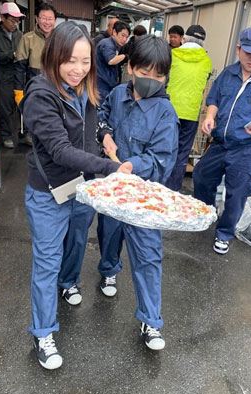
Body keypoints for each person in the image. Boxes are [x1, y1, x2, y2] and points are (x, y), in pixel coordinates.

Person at [19, 21, 128, 370]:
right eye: (71, 60)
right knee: (46, 263)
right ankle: (44, 333)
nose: (79, 69)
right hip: (49, 193)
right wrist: (110, 168)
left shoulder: (85, 88)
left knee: (78, 241)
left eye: (85, 61)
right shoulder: (40, 96)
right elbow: (61, 151)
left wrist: (106, 137)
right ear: (53, 57)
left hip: (83, 187)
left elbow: (95, 126)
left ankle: (69, 282)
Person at [96, 35, 178, 351]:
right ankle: (108, 271)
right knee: (108, 234)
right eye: (146, 73)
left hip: (144, 195)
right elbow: (100, 115)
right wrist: (104, 135)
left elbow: (162, 160)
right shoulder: (117, 95)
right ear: (130, 68)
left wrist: (130, 165)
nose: (152, 81)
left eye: (160, 76)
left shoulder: (165, 113)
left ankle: (151, 321)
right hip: (114, 189)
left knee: (148, 255)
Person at [193, 27, 251, 255]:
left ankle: (224, 233)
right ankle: (206, 215)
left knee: (237, 193)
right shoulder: (228, 73)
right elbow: (214, 98)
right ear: (238, 49)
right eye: (248, 52)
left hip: (250, 148)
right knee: (202, 177)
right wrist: (210, 116)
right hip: (220, 143)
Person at [165, 25, 213, 191]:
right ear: (203, 43)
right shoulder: (206, 61)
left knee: (164, 147)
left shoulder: (173, 55)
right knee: (182, 153)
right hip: (191, 114)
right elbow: (205, 80)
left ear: (184, 39)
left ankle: (158, 186)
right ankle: (172, 190)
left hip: (169, 110)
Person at [13, 3, 56, 107]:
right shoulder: (27, 39)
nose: (47, 22)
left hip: (56, 90)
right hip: (33, 90)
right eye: (44, 18)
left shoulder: (60, 39)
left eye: (50, 19)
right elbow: (19, 68)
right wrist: (19, 92)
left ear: (55, 20)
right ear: (37, 19)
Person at [0, 2, 24, 149]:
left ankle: (21, 133)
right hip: (2, 78)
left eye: (17, 21)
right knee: (5, 108)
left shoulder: (19, 34)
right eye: (12, 21)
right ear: (2, 18)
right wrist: (12, 55)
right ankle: (6, 136)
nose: (15, 24)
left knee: (19, 106)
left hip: (18, 76)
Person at [96, 21, 131, 100]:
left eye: (127, 37)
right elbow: (111, 60)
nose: (125, 39)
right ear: (114, 32)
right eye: (123, 35)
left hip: (107, 85)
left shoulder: (115, 45)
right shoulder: (107, 43)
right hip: (101, 86)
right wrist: (125, 56)